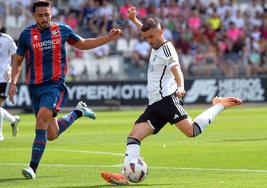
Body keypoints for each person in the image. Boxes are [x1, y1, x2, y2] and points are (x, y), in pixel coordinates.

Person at [101, 7, 242, 185]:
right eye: (146, 38)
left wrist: (181, 87)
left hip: (168, 99)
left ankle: (219, 104)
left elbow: (177, 70)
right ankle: (125, 175)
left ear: (160, 32)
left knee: (192, 131)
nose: (149, 41)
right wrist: (134, 20)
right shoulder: (154, 40)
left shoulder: (167, 49)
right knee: (133, 136)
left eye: (151, 37)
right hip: (155, 104)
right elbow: (145, 30)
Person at [8, 0, 122, 180]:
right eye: (40, 15)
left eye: (47, 14)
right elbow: (19, 61)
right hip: (34, 87)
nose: (44, 18)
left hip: (55, 85)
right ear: (34, 16)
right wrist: (13, 83)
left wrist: (108, 38)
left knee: (41, 120)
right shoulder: (26, 35)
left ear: (51, 13)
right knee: (51, 134)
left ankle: (32, 168)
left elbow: (83, 44)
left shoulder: (62, 30)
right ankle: (78, 112)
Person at [0, 31, 20, 141]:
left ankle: (0, 135)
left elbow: (17, 57)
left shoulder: (7, 39)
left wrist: (11, 70)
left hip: (3, 76)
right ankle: (13, 120)